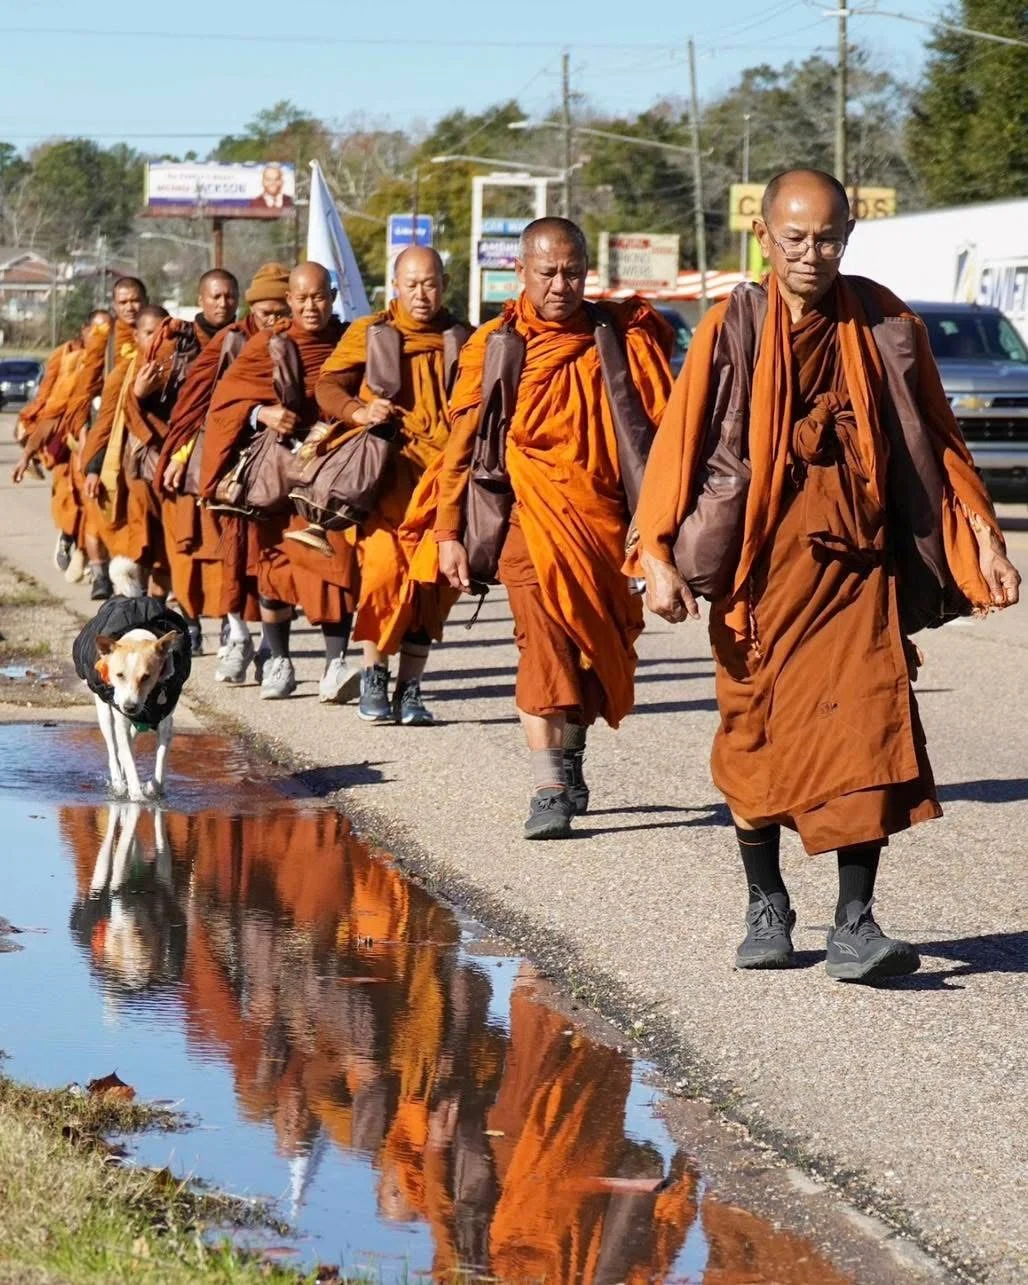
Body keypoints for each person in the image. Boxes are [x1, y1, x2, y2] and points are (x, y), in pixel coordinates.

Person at [632, 169, 1021, 982]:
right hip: (758, 573)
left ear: (848, 236)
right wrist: (656, 551)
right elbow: (680, 438)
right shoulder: (733, 325)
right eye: (796, 238)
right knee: (754, 736)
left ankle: (855, 921)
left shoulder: (883, 322)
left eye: (829, 238)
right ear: (765, 237)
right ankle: (766, 904)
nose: (812, 254)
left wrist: (982, 534)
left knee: (866, 726)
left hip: (857, 569)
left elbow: (938, 437)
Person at [431, 217, 673, 838]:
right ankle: (548, 788)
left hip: (605, 521)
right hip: (526, 517)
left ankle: (569, 755)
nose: (561, 285)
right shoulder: (494, 346)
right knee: (541, 645)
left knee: (592, 650)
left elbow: (662, 434)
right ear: (521, 272)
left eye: (573, 273)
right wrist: (447, 530)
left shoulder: (620, 338)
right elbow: (461, 447)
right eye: (547, 273)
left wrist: (663, 529)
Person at [314, 245, 468, 725]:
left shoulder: (463, 337)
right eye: (412, 284)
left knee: (431, 588)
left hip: (443, 483)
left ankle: (411, 689)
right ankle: (374, 675)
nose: (421, 294)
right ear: (395, 286)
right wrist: (359, 412)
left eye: (430, 284)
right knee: (381, 576)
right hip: (388, 479)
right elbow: (327, 386)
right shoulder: (373, 332)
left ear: (444, 285)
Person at [202, 262, 358, 701]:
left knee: (335, 563)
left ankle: (335, 665)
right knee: (275, 567)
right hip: (277, 473)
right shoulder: (268, 344)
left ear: (332, 297)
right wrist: (261, 413)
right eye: (302, 298)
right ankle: (280, 661)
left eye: (319, 297)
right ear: (290, 300)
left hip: (330, 472)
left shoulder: (350, 341)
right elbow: (225, 401)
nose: (311, 307)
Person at [156, 263, 292, 684]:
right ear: (253, 309)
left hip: (283, 464)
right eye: (266, 312)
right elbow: (199, 405)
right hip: (233, 462)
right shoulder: (233, 340)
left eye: (281, 312)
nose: (273, 320)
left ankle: (272, 649)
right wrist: (182, 453)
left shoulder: (300, 339)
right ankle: (237, 636)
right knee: (231, 558)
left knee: (276, 560)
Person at [126, 269, 240, 653]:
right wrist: (140, 394)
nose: (223, 303)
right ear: (200, 299)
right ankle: (190, 621)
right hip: (181, 461)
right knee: (183, 549)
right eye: (215, 296)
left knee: (227, 549)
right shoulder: (179, 343)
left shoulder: (245, 339)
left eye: (229, 296)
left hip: (228, 457)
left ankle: (230, 624)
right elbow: (143, 401)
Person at [82, 305, 170, 594]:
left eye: (163, 334)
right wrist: (94, 469)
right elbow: (105, 425)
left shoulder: (182, 369)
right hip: (131, 471)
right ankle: (133, 597)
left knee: (168, 548)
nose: (157, 341)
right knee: (140, 539)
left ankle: (158, 607)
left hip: (173, 470)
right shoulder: (122, 374)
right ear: (136, 336)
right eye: (149, 333)